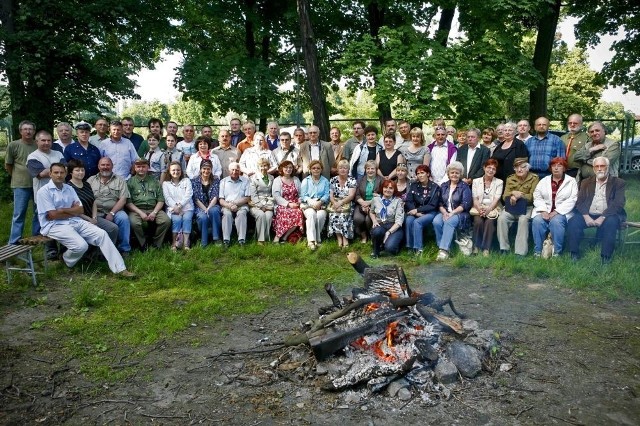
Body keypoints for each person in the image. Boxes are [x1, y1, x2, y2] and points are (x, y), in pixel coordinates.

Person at [36, 163, 134, 277]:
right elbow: (52, 215)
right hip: (53, 225)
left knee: (102, 234)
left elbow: (80, 210)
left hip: (74, 220)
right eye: (56, 172)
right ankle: (66, 259)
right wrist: (71, 210)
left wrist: (62, 210)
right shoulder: (44, 191)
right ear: (50, 174)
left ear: (66, 173)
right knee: (81, 246)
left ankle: (120, 269)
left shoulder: (69, 189)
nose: (59, 175)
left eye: (62, 172)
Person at [567, 157, 625, 264]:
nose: (599, 169)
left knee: (611, 223)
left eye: (602, 166)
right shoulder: (585, 182)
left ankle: (605, 257)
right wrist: (586, 216)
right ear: (593, 169)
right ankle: (574, 253)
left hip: (608, 215)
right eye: (596, 166)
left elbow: (618, 204)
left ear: (607, 167)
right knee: (573, 222)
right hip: (589, 214)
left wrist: (602, 217)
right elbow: (579, 202)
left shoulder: (618, 183)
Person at [26, 130, 65, 259]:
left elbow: (65, 170)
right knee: (45, 221)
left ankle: (64, 247)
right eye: (43, 140)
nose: (46, 143)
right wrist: (58, 170)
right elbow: (40, 174)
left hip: (60, 194)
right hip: (43, 196)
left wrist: (50, 170)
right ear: (37, 141)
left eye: (49, 140)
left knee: (62, 219)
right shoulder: (33, 157)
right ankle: (50, 249)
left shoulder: (58, 153)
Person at [531, 157, 578, 257]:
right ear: (550, 168)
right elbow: (537, 195)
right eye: (553, 166)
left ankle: (557, 252)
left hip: (562, 212)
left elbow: (573, 199)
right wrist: (543, 210)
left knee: (556, 222)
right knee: (537, 221)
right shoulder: (544, 180)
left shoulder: (571, 181)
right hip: (544, 210)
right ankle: (538, 251)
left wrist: (556, 212)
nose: (556, 168)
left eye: (559, 165)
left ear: (564, 168)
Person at [66, 159, 119, 246]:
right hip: (79, 219)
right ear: (71, 172)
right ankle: (91, 254)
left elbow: (93, 202)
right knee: (96, 232)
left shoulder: (86, 184)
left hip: (92, 216)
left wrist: (94, 217)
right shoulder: (68, 188)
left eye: (82, 170)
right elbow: (73, 210)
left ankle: (103, 254)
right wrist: (89, 219)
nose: (80, 172)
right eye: (77, 170)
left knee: (113, 228)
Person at [87, 157, 132, 256]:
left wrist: (112, 213)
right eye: (102, 165)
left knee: (124, 218)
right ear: (98, 166)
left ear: (112, 166)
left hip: (115, 210)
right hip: (96, 212)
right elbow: (87, 198)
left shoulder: (120, 180)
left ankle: (124, 249)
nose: (105, 167)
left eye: (108, 165)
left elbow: (123, 199)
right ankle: (96, 249)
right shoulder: (91, 180)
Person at [497, 158, 539, 256]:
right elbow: (504, 196)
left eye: (522, 167)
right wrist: (512, 194)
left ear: (527, 168)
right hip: (511, 207)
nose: (519, 169)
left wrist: (520, 195)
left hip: (526, 208)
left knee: (523, 220)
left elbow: (533, 196)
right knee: (502, 218)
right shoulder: (510, 178)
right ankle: (504, 248)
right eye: (517, 167)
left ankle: (520, 252)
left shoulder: (534, 178)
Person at [126, 159, 171, 250]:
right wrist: (140, 213)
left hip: (153, 208)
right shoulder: (129, 182)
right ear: (135, 168)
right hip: (137, 210)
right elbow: (128, 203)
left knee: (166, 221)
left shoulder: (155, 181)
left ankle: (156, 244)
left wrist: (154, 212)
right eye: (138, 167)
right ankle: (143, 244)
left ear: (148, 168)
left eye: (143, 166)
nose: (141, 169)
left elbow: (161, 200)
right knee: (134, 223)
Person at [6, 120, 38, 244]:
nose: (28, 131)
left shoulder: (38, 144)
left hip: (37, 185)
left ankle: (36, 237)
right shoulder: (13, 145)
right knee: (19, 214)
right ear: (20, 131)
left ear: (34, 131)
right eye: (25, 129)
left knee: (38, 212)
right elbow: (8, 164)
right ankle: (13, 242)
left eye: (30, 129)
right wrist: (17, 176)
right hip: (20, 185)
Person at [433, 161, 472, 260]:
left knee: (449, 222)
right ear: (448, 174)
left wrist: (452, 213)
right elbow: (440, 203)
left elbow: (465, 204)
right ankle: (443, 247)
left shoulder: (464, 186)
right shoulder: (444, 186)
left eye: (457, 173)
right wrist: (445, 212)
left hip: (460, 213)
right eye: (452, 172)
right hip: (445, 212)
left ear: (460, 174)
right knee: (436, 221)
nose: (454, 175)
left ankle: (443, 250)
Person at [404, 165, 441, 255]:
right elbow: (408, 201)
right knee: (408, 220)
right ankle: (410, 247)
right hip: (415, 212)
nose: (420, 175)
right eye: (418, 173)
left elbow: (433, 205)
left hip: (430, 213)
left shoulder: (435, 187)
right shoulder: (414, 185)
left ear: (428, 174)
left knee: (417, 222)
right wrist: (415, 212)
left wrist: (417, 210)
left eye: (422, 173)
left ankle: (418, 249)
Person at [471, 159, 503, 256]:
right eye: (489, 167)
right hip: (478, 208)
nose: (491, 170)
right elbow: (475, 198)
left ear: (496, 171)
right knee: (478, 221)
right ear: (484, 168)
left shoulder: (499, 182)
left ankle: (486, 248)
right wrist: (480, 209)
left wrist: (488, 210)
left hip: (493, 208)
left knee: (490, 222)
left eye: (493, 169)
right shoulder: (476, 181)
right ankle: (476, 246)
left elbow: (496, 199)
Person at [162, 161, 194, 251]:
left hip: (187, 207)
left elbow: (188, 194)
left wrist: (180, 206)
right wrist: (175, 207)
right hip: (173, 208)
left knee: (187, 219)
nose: (176, 172)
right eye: (173, 170)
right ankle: (174, 243)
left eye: (178, 170)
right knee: (177, 219)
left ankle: (186, 244)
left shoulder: (186, 181)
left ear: (181, 171)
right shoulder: (166, 184)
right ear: (169, 171)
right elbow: (167, 198)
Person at [369, 179, 404, 258]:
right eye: (386, 187)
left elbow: (399, 221)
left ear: (394, 190)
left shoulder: (398, 201)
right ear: (382, 188)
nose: (388, 190)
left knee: (390, 249)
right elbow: (371, 212)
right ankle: (376, 250)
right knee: (377, 231)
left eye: (391, 188)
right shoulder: (375, 200)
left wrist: (388, 232)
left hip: (394, 227)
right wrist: (374, 221)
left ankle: (392, 245)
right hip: (380, 225)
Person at [219, 162, 251, 247]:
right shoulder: (223, 182)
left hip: (241, 204)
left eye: (237, 170)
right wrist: (229, 205)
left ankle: (241, 240)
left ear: (240, 171)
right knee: (227, 214)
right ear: (229, 171)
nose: (234, 172)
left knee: (241, 213)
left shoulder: (246, 181)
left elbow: (247, 197)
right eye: (232, 170)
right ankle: (226, 240)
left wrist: (235, 203)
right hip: (227, 205)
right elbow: (221, 200)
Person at [300, 160, 330, 250]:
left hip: (321, 204)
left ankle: (318, 239)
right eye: (313, 168)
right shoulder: (306, 180)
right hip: (308, 204)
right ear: (310, 169)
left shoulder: (325, 181)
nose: (316, 170)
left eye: (318, 168)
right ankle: (311, 241)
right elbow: (303, 195)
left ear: (321, 169)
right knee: (311, 214)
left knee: (320, 215)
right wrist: (312, 203)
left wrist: (320, 202)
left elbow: (327, 194)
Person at [191, 159, 222, 247]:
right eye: (204, 168)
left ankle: (216, 238)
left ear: (211, 170)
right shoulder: (194, 181)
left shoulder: (215, 180)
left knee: (214, 211)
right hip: (199, 207)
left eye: (208, 169)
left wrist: (208, 209)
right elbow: (196, 199)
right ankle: (204, 241)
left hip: (213, 205)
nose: (206, 171)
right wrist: (205, 210)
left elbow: (215, 197)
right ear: (200, 169)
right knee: (203, 217)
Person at [272, 161, 304, 244]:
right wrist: (288, 204)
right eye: (286, 167)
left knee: (298, 213)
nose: (288, 169)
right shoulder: (277, 180)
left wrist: (299, 202)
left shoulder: (296, 180)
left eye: (290, 167)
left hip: (295, 204)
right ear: (282, 169)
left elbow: (301, 194)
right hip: (282, 204)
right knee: (284, 212)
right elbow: (276, 196)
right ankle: (277, 237)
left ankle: (285, 237)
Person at [328, 160, 357, 248]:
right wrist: (335, 204)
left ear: (348, 169)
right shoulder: (333, 180)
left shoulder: (352, 180)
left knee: (344, 215)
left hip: (347, 202)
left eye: (345, 168)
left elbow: (351, 196)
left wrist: (341, 202)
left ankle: (345, 238)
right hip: (335, 202)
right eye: (340, 168)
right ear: (337, 169)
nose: (343, 170)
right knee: (333, 214)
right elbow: (331, 196)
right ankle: (339, 238)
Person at [354, 160, 383, 244]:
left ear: (376, 169)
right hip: (361, 204)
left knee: (368, 219)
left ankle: (372, 236)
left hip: (375, 205)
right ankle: (363, 236)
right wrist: (363, 203)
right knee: (357, 218)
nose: (370, 170)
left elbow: (382, 195)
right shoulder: (360, 180)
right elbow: (357, 194)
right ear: (365, 169)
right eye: (368, 168)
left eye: (372, 168)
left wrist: (369, 203)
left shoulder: (381, 180)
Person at [249, 158, 274, 245]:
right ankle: (260, 240)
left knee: (268, 216)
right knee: (261, 215)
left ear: (268, 167)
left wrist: (270, 206)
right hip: (256, 204)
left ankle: (266, 238)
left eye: (265, 165)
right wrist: (261, 206)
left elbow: (273, 194)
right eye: (261, 166)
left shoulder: (272, 177)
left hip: (269, 204)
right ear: (258, 167)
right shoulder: (253, 178)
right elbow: (253, 195)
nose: (263, 168)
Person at [560, 114, 589, 178]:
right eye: (570, 123)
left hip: (578, 172)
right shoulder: (562, 138)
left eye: (575, 123)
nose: (572, 125)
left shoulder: (587, 138)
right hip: (562, 171)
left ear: (581, 124)